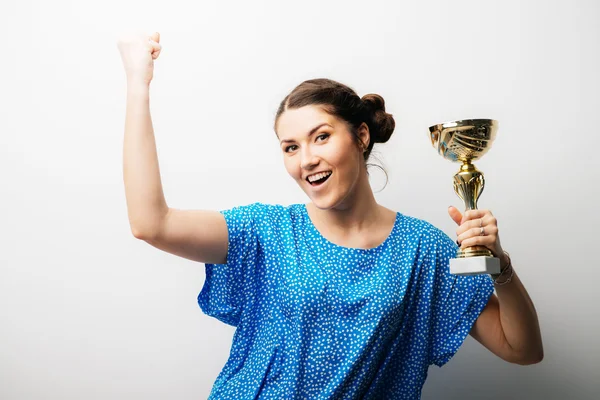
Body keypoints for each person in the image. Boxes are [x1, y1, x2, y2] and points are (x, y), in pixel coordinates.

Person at [118, 32, 543, 399]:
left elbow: (522, 349)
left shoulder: (422, 250)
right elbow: (151, 224)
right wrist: (139, 83)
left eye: (320, 137)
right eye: (290, 147)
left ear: (360, 136)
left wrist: (499, 264)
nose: (306, 159)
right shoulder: (266, 231)